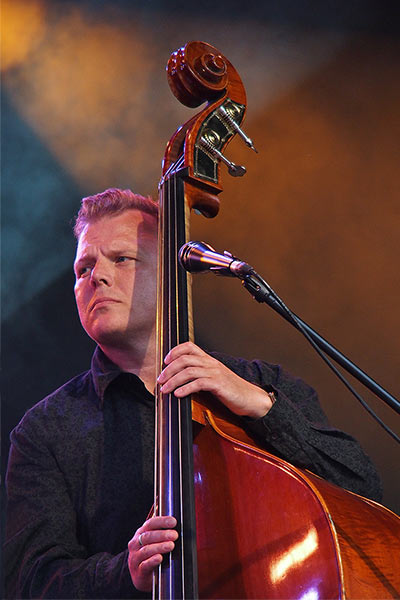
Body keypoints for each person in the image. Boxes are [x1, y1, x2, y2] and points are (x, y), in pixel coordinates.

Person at [5, 188, 382, 599]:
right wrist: (123, 572)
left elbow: (363, 492)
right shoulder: (45, 431)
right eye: (83, 268)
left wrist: (262, 408)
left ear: (170, 276)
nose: (97, 276)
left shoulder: (258, 380)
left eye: (121, 259)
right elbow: (30, 581)